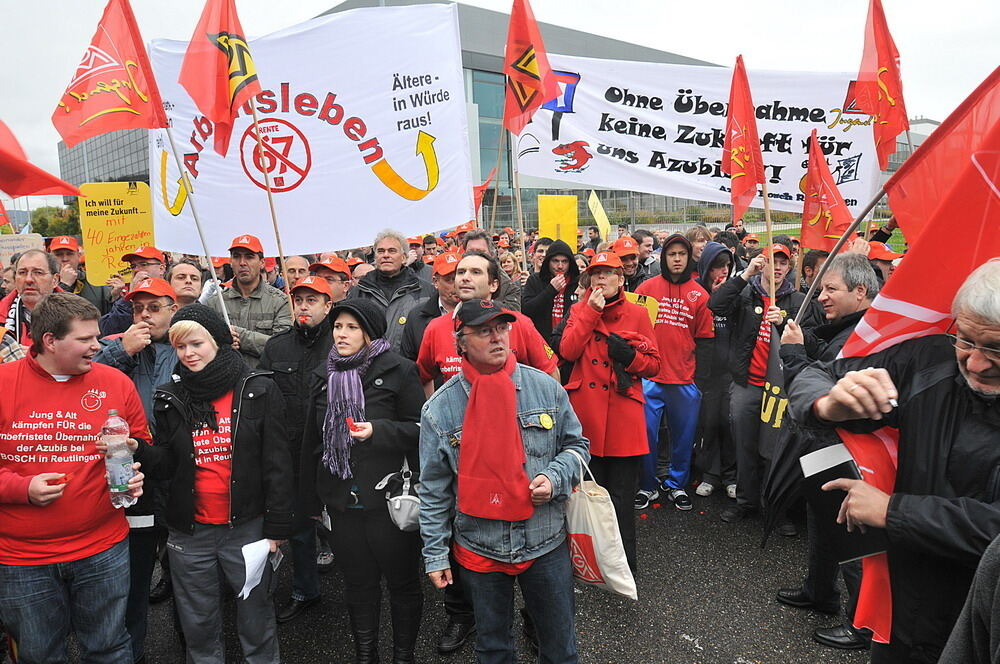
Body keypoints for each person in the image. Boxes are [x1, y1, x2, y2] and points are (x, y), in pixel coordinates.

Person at [786, 258, 1000, 663]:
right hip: (903, 608)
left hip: (981, 626)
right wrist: (828, 404)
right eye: (967, 340)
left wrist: (894, 511)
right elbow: (817, 372)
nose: (974, 362)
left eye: (995, 348)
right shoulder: (930, 361)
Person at [419, 297, 589, 663]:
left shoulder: (545, 388)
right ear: (460, 342)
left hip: (544, 542)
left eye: (502, 328)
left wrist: (553, 477)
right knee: (494, 649)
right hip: (479, 546)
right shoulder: (440, 409)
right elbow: (433, 491)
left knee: (560, 647)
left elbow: (578, 447)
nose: (497, 338)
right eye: (484, 331)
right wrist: (435, 554)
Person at [134, 303, 294, 664]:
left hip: (247, 527)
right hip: (190, 533)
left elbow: (278, 464)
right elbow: (168, 465)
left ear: (219, 342)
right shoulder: (169, 396)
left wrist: (277, 527)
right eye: (180, 347)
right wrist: (138, 450)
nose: (188, 354)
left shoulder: (258, 388)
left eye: (196, 344)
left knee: (256, 621)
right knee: (199, 627)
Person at [0, 293, 146, 663]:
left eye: (97, 337)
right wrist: (21, 488)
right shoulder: (3, 384)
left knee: (110, 648)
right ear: (49, 340)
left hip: (102, 548)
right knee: (40, 654)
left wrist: (134, 471)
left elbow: (139, 445)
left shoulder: (116, 383)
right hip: (22, 558)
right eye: (85, 339)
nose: (97, 346)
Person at [299, 299, 425, 663]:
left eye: (352, 327)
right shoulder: (324, 375)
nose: (342, 334)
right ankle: (365, 655)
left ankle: (403, 656)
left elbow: (421, 430)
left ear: (369, 333)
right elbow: (311, 442)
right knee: (358, 584)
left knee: (402, 584)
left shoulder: (400, 370)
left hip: (388, 501)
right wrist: (309, 501)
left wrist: (377, 431)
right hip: (342, 501)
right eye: (338, 326)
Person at [774, 253, 879, 651]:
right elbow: (831, 355)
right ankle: (819, 591)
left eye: (830, 289)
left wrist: (795, 356)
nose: (820, 297)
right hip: (826, 445)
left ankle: (862, 624)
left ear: (861, 291)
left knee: (851, 529)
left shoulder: (871, 333)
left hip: (852, 449)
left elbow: (833, 381)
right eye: (820, 289)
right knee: (820, 515)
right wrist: (804, 340)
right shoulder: (847, 326)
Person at [93, 277, 181, 662]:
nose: (144, 315)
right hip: (134, 480)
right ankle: (134, 650)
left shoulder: (186, 348)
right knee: (135, 575)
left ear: (172, 310)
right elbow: (85, 380)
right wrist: (122, 352)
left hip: (178, 478)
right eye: (138, 308)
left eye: (154, 307)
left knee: (186, 575)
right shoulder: (118, 348)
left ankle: (189, 646)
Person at [558, 251, 660, 573]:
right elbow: (568, 351)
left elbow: (655, 365)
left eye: (608, 273)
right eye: (596, 273)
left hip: (622, 416)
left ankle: (623, 565)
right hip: (587, 416)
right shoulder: (578, 309)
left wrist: (630, 356)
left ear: (621, 278)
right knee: (587, 496)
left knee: (621, 499)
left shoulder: (638, 313)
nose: (601, 279)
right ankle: (590, 562)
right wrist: (589, 314)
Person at [709, 243, 821, 525]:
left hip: (781, 388)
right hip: (747, 383)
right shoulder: (746, 292)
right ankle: (746, 502)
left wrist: (785, 323)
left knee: (777, 449)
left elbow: (813, 341)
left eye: (784, 262)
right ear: (763, 263)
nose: (779, 267)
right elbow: (716, 305)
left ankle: (777, 508)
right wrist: (745, 274)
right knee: (745, 445)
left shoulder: (798, 300)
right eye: (773, 261)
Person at [258, 276, 336, 625]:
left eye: (312, 300)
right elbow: (261, 394)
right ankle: (305, 590)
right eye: (299, 299)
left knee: (345, 525)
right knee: (301, 526)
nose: (303, 306)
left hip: (333, 449)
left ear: (327, 305)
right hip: (290, 450)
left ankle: (363, 591)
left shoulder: (340, 343)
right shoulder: (277, 347)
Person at [634, 234, 714, 511]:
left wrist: (697, 380)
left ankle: (677, 485)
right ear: (664, 257)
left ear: (689, 257)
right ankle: (648, 485)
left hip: (683, 379)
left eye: (682, 254)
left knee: (683, 436)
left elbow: (705, 341)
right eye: (672, 254)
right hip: (649, 377)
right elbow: (633, 331)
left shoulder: (700, 294)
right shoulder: (646, 288)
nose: (677, 259)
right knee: (645, 434)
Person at [417, 251, 559, 395]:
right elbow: (423, 377)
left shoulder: (519, 323)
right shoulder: (435, 328)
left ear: (493, 285)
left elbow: (551, 372)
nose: (465, 278)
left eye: (476, 272)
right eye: (461, 272)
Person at [692, 242, 737, 499]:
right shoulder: (696, 292)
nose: (723, 271)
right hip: (705, 373)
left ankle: (730, 476)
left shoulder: (734, 293)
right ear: (707, 266)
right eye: (718, 266)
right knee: (708, 424)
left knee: (727, 424)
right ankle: (710, 474)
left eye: (728, 266)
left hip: (729, 373)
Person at [207, 234, 292, 368]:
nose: (242, 262)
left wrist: (239, 335)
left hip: (265, 382)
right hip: (225, 382)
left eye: (249, 256)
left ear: (262, 262)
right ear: (230, 261)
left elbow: (282, 349)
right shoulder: (215, 303)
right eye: (236, 256)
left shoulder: (280, 301)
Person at [350, 230, 435, 354]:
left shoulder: (426, 291)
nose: (385, 255)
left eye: (392, 251)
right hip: (368, 367)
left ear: (404, 257)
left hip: (410, 368)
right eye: (380, 251)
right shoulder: (360, 291)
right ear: (375, 257)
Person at [400, 251, 460, 362]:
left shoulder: (482, 311)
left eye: (460, 276)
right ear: (435, 282)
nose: (457, 285)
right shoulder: (417, 317)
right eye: (449, 279)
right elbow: (408, 362)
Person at [101, 246, 168, 336]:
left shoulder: (173, 291)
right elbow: (108, 331)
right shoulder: (127, 296)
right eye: (133, 266)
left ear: (161, 268)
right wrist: (129, 296)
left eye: (144, 264)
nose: (136, 270)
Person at [522, 239, 580, 343]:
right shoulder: (535, 280)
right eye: (555, 261)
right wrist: (551, 290)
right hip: (541, 342)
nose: (560, 266)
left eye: (564, 261)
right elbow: (526, 311)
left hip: (569, 342)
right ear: (548, 261)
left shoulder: (577, 283)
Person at [0, 249, 62, 345]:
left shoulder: (77, 314)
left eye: (38, 272)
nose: (28, 279)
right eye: (22, 272)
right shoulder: (2, 312)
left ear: (55, 280)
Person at [49, 235, 113, 314]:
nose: (65, 259)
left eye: (70, 254)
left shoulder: (94, 281)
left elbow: (112, 318)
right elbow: (50, 315)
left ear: (78, 256)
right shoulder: (44, 281)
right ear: (50, 257)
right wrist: (64, 285)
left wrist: (116, 298)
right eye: (58, 254)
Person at [462, 230, 521, 311]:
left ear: (491, 254)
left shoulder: (507, 286)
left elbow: (514, 317)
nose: (475, 256)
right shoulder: (454, 281)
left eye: (480, 252)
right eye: (470, 252)